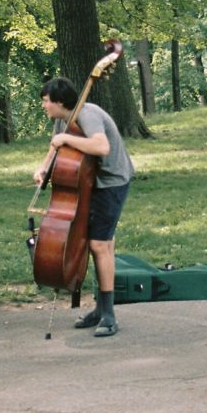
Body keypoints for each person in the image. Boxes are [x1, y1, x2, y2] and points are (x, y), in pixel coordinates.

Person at [35, 76, 134, 338]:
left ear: (58, 101)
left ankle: (109, 316)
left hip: (112, 182)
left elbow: (101, 146)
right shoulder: (62, 119)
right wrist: (44, 167)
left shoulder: (87, 114)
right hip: (90, 182)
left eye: (46, 101)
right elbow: (56, 143)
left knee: (100, 245)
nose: (43, 106)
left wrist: (67, 140)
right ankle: (100, 310)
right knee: (94, 243)